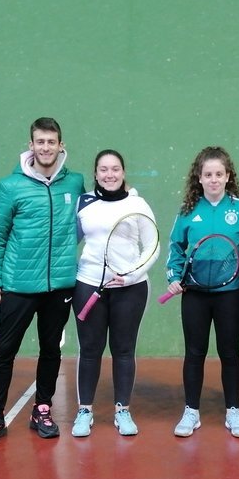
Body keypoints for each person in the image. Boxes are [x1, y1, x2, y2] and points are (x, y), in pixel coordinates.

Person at [0, 117, 85, 449]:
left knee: (51, 350)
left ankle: (43, 409)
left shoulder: (74, 183)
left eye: (51, 142)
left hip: (60, 287)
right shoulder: (10, 186)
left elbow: (98, 210)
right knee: (4, 350)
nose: (46, 147)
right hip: (17, 286)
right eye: (40, 142)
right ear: (30, 145)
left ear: (61, 145)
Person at [165, 146, 239, 438]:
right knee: (195, 353)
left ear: (228, 176)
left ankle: (233, 411)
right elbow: (176, 247)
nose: (214, 179)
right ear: (199, 178)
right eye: (208, 174)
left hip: (230, 293)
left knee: (230, 353)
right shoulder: (188, 211)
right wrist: (174, 276)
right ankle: (191, 410)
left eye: (219, 174)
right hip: (195, 294)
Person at [71, 149, 159, 437]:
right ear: (95, 173)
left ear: (123, 172)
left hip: (130, 289)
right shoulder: (84, 203)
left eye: (115, 169)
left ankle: (123, 411)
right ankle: (85, 410)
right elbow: (69, 241)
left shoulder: (138, 205)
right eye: (104, 170)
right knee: (90, 350)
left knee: (124, 349)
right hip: (88, 285)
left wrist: (131, 274)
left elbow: (152, 246)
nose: (110, 175)